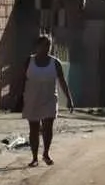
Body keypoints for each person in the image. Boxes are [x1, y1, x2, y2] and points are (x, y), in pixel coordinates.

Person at [17, 35, 75, 167]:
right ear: (37, 47)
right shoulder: (29, 62)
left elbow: (62, 82)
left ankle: (46, 153)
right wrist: (18, 97)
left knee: (48, 127)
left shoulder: (55, 63)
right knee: (34, 128)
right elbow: (21, 80)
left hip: (49, 99)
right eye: (43, 45)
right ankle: (34, 157)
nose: (46, 48)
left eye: (48, 45)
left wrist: (69, 99)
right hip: (32, 98)